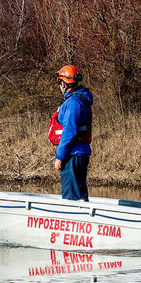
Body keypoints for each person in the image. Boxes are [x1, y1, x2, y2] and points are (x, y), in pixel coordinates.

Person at [49, 65, 93, 201]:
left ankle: (75, 220)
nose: (59, 86)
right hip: (79, 154)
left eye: (59, 82)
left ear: (64, 83)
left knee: (71, 198)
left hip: (73, 155)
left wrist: (60, 156)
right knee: (80, 197)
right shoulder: (78, 100)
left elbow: (69, 132)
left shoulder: (74, 102)